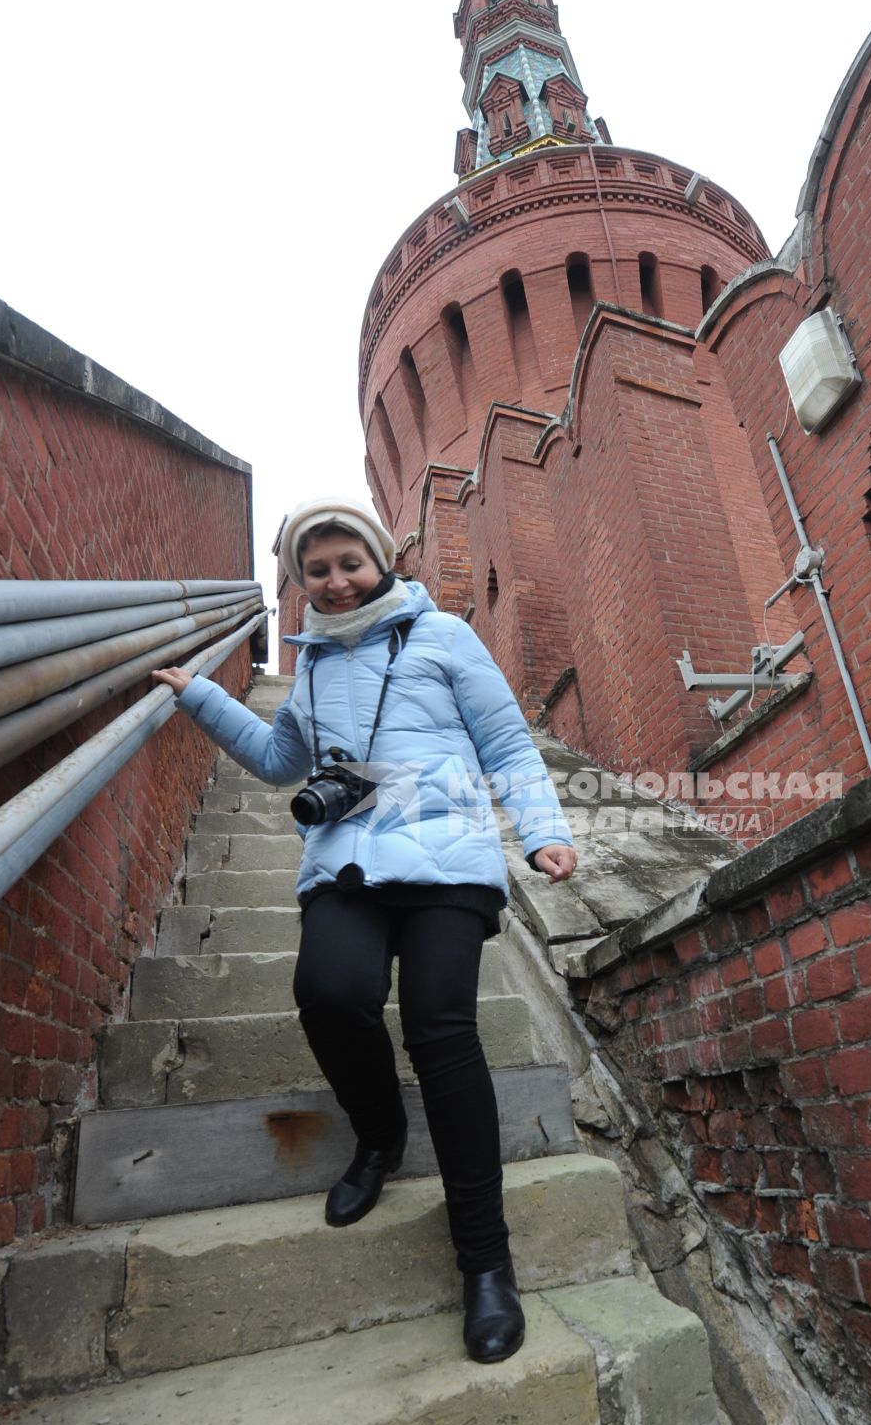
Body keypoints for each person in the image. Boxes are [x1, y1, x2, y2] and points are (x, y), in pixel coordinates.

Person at [152, 495, 576, 1364]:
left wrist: (543, 831)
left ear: (381, 561)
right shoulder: (307, 665)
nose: (336, 582)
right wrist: (199, 696)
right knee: (327, 993)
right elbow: (281, 763)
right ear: (300, 582)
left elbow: (506, 744)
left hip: (448, 862)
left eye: (350, 563)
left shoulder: (444, 636)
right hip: (346, 860)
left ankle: (485, 1263)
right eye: (318, 570)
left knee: (440, 1028)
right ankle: (380, 1132)